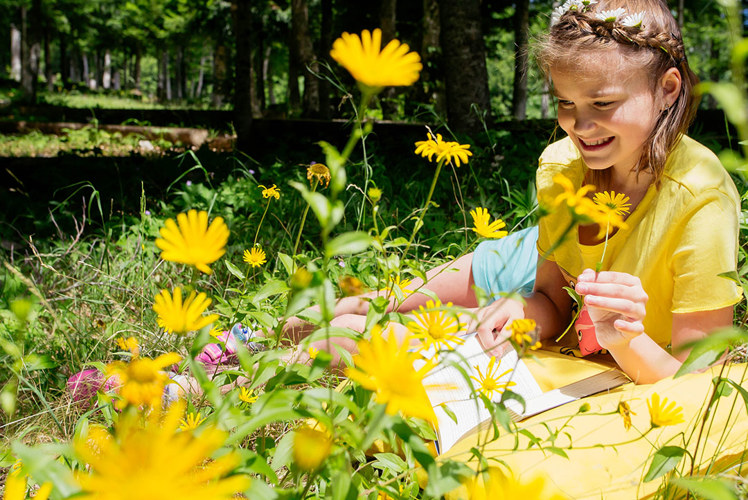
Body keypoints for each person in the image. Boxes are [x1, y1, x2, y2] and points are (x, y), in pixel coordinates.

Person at [222, 0, 738, 386]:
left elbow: (697, 381)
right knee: (383, 303)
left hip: (577, 302)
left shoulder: (700, 200)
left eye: (602, 103)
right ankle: (245, 340)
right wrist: (527, 309)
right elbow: (554, 300)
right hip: (520, 261)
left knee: (380, 336)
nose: (579, 126)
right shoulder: (561, 165)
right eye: (564, 103)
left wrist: (624, 337)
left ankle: (249, 373)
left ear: (668, 89)